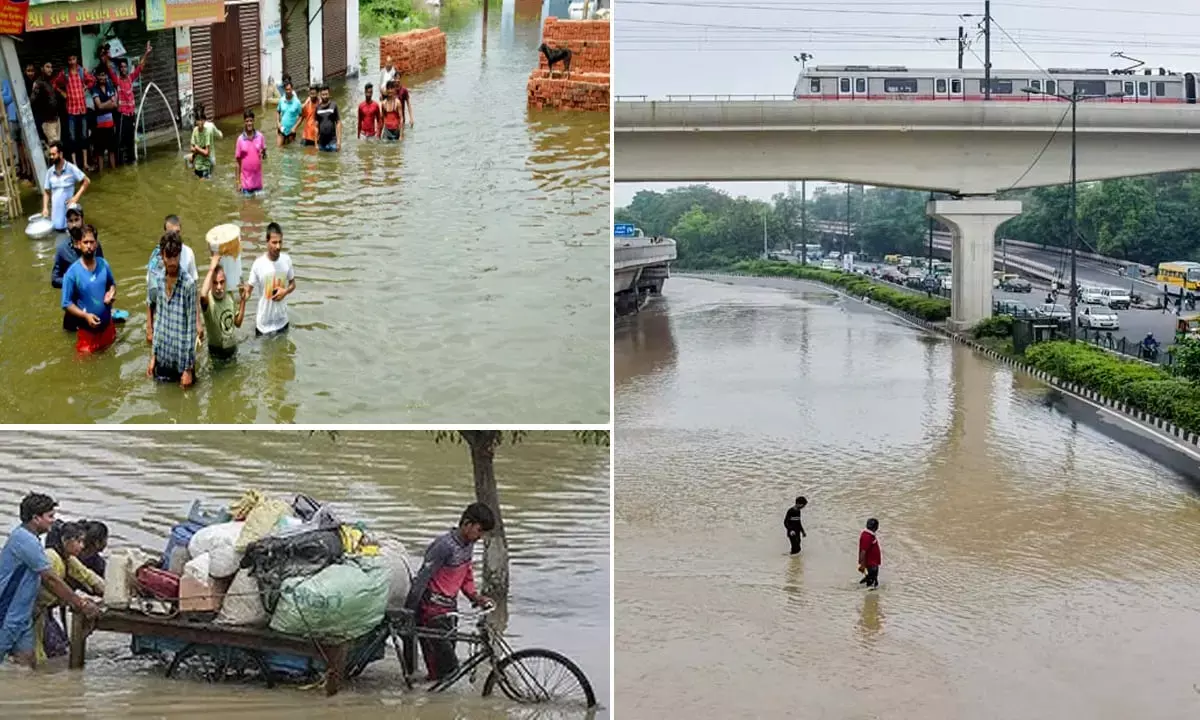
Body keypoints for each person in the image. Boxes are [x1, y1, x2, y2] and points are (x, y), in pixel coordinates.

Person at [0, 493, 101, 669]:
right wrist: (80, 603)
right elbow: (50, 579)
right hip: (6, 613)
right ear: (36, 518)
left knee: (27, 666)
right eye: (50, 516)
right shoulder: (25, 541)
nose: (53, 521)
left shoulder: (32, 540)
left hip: (22, 617)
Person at [403, 502, 495, 681]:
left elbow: (465, 575)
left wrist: (475, 597)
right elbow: (423, 577)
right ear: (467, 524)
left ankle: (431, 693)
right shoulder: (443, 546)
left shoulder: (467, 545)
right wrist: (409, 610)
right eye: (479, 531)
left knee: (446, 665)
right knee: (445, 666)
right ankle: (428, 701)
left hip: (449, 611)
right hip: (431, 612)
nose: (481, 537)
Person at [34, 521, 104, 665]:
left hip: (43, 612)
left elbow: (88, 576)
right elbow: (52, 584)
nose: (82, 546)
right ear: (65, 540)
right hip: (30, 612)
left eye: (83, 541)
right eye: (78, 541)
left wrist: (112, 594)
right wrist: (81, 602)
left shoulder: (68, 559)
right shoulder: (51, 558)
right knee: (36, 657)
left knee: (59, 651)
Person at [147, 232, 198, 387]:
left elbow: (191, 329)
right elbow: (160, 320)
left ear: (179, 255)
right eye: (168, 257)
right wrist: (153, 356)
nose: (172, 262)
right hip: (163, 357)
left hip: (181, 364)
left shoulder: (188, 284)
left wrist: (188, 369)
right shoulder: (159, 279)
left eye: (175, 257)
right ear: (162, 256)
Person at [61, 225, 117, 354]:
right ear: (79, 244)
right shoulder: (72, 273)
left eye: (92, 242)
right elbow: (65, 303)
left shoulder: (104, 264)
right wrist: (85, 316)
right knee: (86, 364)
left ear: (96, 244)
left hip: (108, 328)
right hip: (87, 334)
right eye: (85, 242)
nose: (89, 246)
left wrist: (111, 293)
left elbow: (112, 284)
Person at [247, 222, 295, 337]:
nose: (278, 246)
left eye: (280, 242)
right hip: (263, 325)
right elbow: (248, 291)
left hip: (282, 322)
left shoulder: (286, 260)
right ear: (267, 242)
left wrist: (285, 291)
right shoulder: (258, 264)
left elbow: (293, 284)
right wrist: (242, 297)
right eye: (274, 242)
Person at [200, 253, 248, 361]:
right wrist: (211, 268)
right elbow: (202, 294)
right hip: (216, 353)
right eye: (215, 283)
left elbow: (238, 323)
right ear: (211, 284)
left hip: (232, 349)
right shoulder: (208, 301)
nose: (219, 287)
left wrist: (243, 300)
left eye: (222, 282)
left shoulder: (229, 295)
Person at [52, 54, 96, 170]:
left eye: (74, 59)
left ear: (77, 59)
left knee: (84, 136)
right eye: (70, 59)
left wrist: (86, 87)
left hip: (82, 109)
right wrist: (62, 92)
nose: (72, 61)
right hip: (71, 110)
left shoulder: (82, 71)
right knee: (72, 137)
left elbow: (92, 80)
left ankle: (85, 163)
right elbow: (54, 83)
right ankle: (75, 164)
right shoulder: (65, 73)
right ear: (68, 61)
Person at [51, 206, 104, 291]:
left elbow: (103, 270)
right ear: (67, 223)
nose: (74, 224)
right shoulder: (62, 249)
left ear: (83, 220)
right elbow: (55, 280)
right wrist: (74, 282)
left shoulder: (95, 244)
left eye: (76, 220)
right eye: (70, 221)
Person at [41, 140, 89, 234]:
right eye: (50, 154)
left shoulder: (71, 168)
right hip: (55, 220)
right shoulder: (50, 172)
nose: (51, 157)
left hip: (70, 221)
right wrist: (45, 208)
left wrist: (76, 198)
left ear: (61, 154)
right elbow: (46, 191)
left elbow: (86, 181)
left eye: (53, 154)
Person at [90, 66, 118, 171]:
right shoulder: (94, 89)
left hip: (110, 124)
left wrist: (106, 104)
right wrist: (109, 102)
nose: (102, 77)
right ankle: (101, 172)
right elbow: (99, 106)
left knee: (112, 150)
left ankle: (114, 170)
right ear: (96, 76)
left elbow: (115, 105)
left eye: (104, 75)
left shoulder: (110, 87)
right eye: (100, 75)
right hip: (99, 125)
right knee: (100, 152)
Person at [235, 108, 267, 194]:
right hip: (246, 185)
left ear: (254, 121)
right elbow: (237, 163)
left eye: (251, 121)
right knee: (247, 206)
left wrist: (264, 153)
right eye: (247, 121)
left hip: (258, 184)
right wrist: (238, 182)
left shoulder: (260, 137)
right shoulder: (240, 140)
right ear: (244, 122)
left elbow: (264, 154)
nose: (249, 123)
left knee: (259, 206)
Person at [188, 103, 223, 179]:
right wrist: (219, 133)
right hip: (210, 159)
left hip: (199, 159)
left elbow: (194, 147)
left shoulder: (196, 128)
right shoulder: (211, 125)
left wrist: (194, 153)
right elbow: (220, 136)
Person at [31, 62, 60, 144]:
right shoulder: (38, 83)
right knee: (53, 146)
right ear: (42, 68)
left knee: (57, 145)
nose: (50, 69)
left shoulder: (51, 82)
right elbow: (32, 100)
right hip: (46, 120)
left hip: (55, 118)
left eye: (51, 67)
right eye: (47, 67)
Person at [276, 78, 303, 147]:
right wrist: (278, 123)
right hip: (281, 129)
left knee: (290, 151)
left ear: (292, 89)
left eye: (289, 89)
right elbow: (278, 112)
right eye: (286, 89)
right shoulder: (281, 100)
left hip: (291, 131)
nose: (288, 91)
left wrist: (295, 127)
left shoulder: (297, 102)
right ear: (284, 90)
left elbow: (301, 116)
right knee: (279, 148)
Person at [315, 85, 341, 152]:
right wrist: (315, 144)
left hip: (332, 141)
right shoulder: (317, 108)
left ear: (329, 94)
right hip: (321, 142)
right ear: (320, 95)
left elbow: (338, 123)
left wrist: (338, 141)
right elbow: (316, 126)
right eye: (323, 94)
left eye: (326, 94)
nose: (325, 96)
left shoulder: (334, 105)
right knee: (321, 161)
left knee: (334, 160)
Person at [858, 518, 881, 590]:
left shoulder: (869, 535)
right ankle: (870, 598)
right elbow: (863, 551)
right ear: (876, 527)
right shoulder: (867, 536)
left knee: (873, 581)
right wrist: (862, 565)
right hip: (871, 564)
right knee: (873, 584)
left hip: (873, 563)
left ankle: (862, 589)